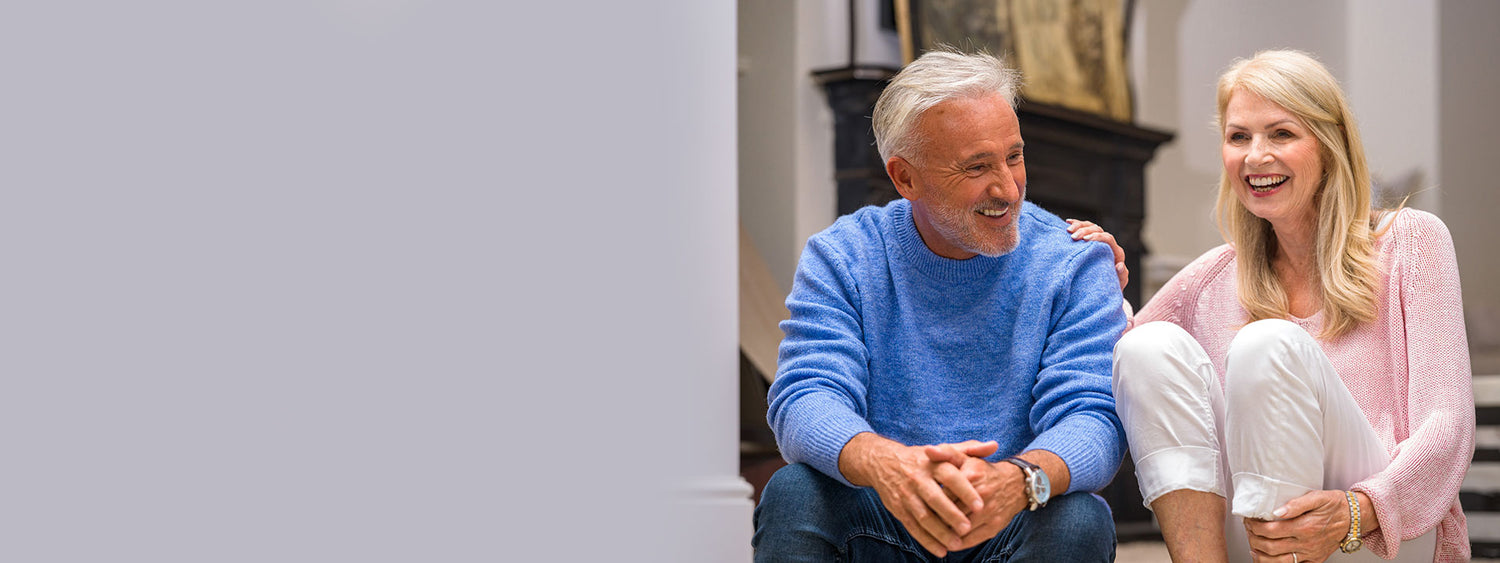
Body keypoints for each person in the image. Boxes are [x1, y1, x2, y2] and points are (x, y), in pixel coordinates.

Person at [1068, 50, 1474, 563]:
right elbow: (1118, 363)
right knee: (1147, 348)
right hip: (1260, 534)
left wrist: (1358, 508)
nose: (1255, 156)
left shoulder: (1411, 241)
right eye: (1239, 137)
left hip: (1382, 530)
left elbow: (1448, 427)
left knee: (1266, 341)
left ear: (1329, 145)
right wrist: (1099, 282)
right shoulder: (1215, 275)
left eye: (1281, 134)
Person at [750, 49, 1128, 562]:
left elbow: (1093, 417)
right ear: (905, 178)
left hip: (1008, 513)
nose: (1007, 188)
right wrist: (888, 464)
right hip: (883, 510)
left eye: (1014, 156)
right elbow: (805, 396)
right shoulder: (843, 255)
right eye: (977, 167)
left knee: (1079, 518)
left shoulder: (1075, 262)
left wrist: (1017, 480)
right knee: (794, 492)